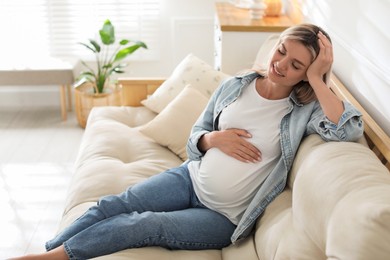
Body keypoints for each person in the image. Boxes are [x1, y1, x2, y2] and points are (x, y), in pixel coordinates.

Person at [11, 23, 363, 260]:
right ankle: (48, 253)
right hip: (189, 178)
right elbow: (196, 135)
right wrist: (213, 140)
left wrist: (319, 79)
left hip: (224, 218)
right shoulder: (237, 85)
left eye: (298, 64)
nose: (281, 64)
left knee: (145, 223)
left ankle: (53, 257)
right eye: (282, 51)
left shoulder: (303, 110)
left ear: (308, 73)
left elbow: (348, 130)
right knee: (113, 204)